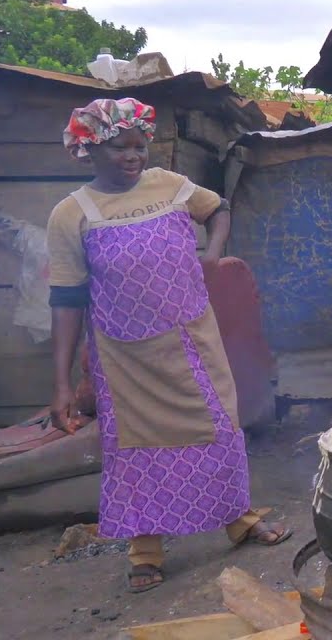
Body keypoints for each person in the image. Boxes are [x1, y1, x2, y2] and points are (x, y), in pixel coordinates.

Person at [46, 98, 292, 594]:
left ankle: (239, 521)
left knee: (220, 429)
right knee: (135, 450)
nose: (135, 156)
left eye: (141, 146)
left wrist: (214, 255)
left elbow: (217, 209)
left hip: (192, 340)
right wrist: (61, 385)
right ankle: (145, 552)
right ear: (90, 148)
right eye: (121, 147)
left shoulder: (171, 186)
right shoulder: (72, 215)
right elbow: (66, 300)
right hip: (126, 359)